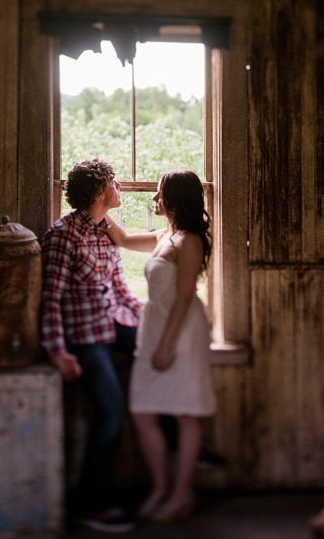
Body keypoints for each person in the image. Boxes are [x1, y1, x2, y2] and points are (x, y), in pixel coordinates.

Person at [106, 170, 216, 522]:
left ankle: (181, 494)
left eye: (159, 194)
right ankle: (160, 488)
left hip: (181, 331)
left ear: (176, 198)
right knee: (142, 410)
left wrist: (166, 345)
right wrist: (95, 202)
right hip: (156, 327)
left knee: (184, 413)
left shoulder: (190, 240)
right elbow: (121, 238)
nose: (154, 199)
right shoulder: (164, 235)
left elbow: (185, 297)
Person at [40, 158, 142, 533]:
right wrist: (57, 350)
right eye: (114, 183)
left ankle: (179, 439)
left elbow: (120, 290)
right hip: (84, 339)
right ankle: (91, 503)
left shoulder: (104, 232)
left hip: (113, 324)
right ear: (101, 192)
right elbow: (50, 298)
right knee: (111, 414)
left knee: (166, 349)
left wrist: (151, 320)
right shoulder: (63, 235)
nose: (120, 188)